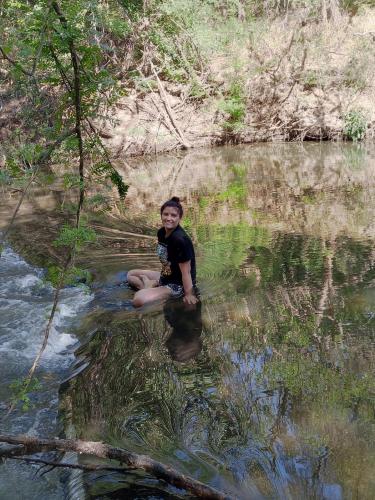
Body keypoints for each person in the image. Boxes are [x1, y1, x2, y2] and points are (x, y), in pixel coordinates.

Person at [128, 197, 198, 308]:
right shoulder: (161, 233)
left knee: (138, 300)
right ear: (161, 215)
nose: (169, 218)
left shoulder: (180, 240)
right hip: (165, 277)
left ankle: (148, 286)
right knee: (131, 274)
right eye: (166, 214)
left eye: (173, 215)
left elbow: (187, 273)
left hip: (177, 285)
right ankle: (151, 286)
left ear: (179, 218)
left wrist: (189, 294)